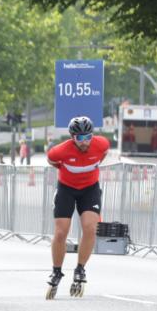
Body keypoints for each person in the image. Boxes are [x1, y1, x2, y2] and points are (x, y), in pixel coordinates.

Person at [44, 115, 110, 299]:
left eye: (88, 137)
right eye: (80, 138)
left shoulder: (102, 144)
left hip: (90, 189)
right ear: (72, 137)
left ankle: (80, 268)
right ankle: (56, 270)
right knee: (60, 232)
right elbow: (52, 162)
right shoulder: (59, 152)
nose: (84, 142)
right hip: (66, 189)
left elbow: (102, 156)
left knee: (90, 228)